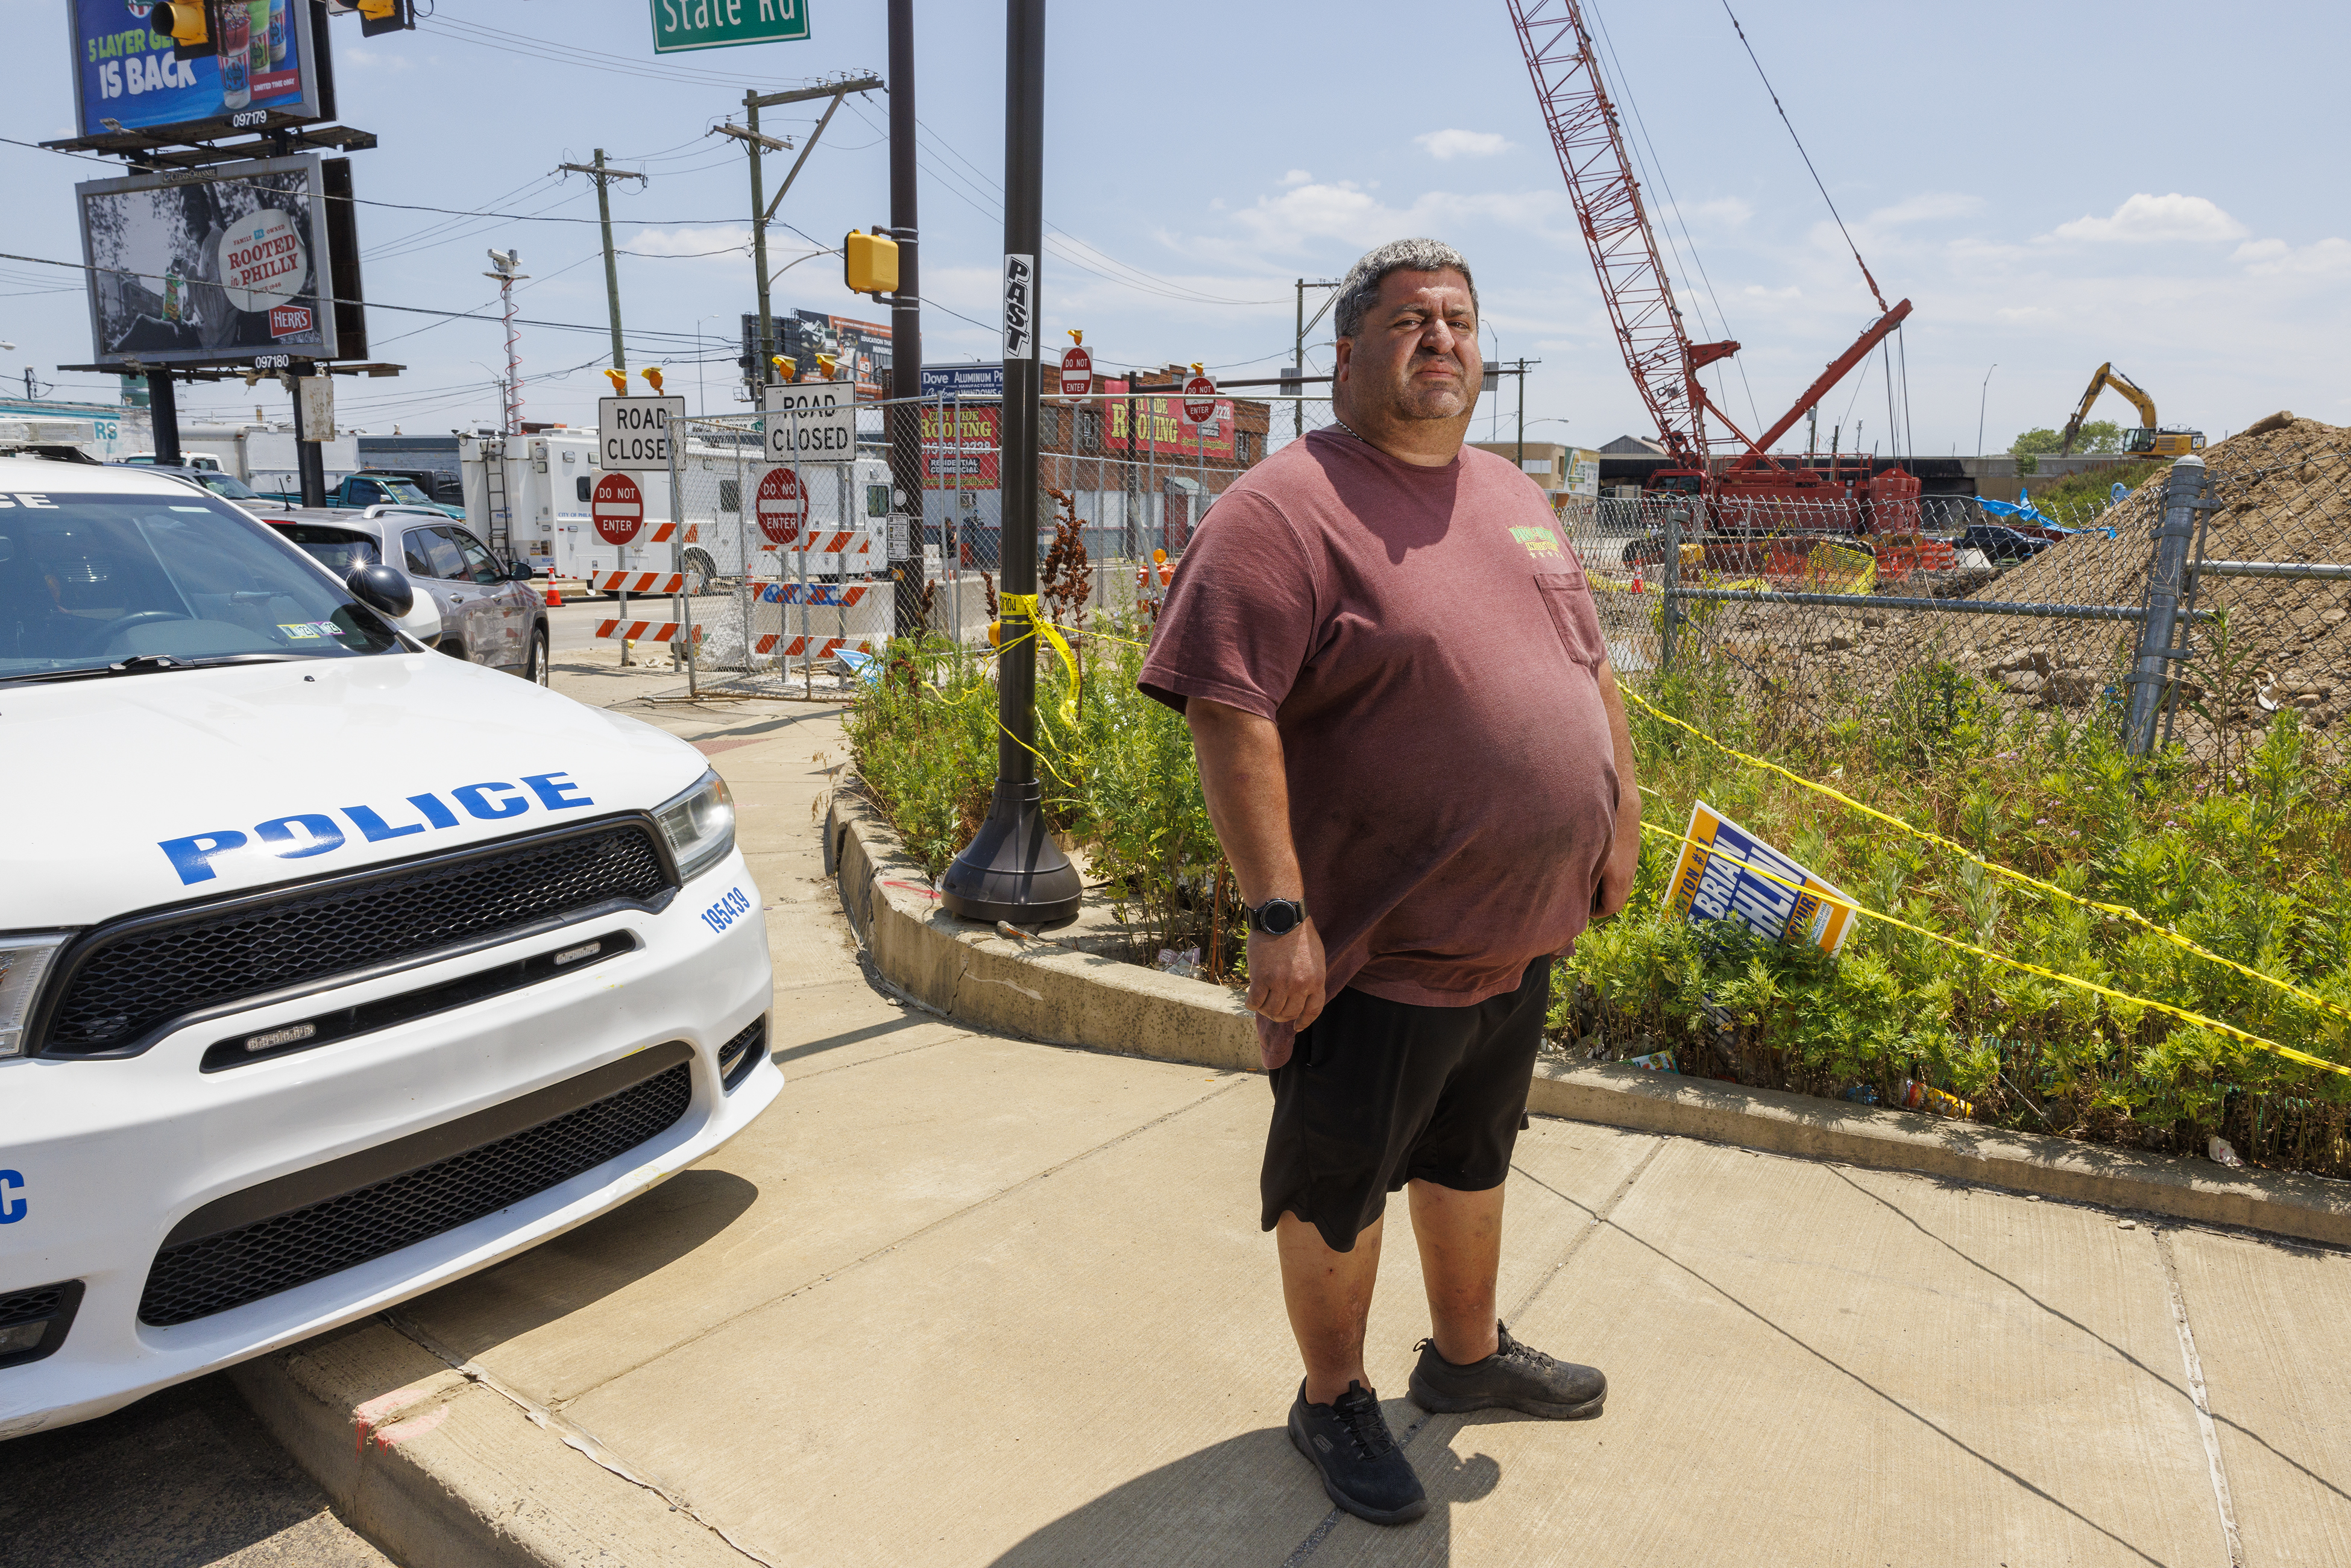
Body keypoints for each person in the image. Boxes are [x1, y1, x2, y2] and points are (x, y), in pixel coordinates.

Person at [1138, 238, 1641, 1526]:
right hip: (1370, 948)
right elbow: (1228, 708)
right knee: (1336, 1183)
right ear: (1348, 349)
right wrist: (1278, 917)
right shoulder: (1285, 506)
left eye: (1460, 320)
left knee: (1472, 1157)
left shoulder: (1515, 496)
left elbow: (1587, 672)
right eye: (1410, 319)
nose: (1442, 339)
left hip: (1512, 938)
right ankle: (1333, 1395)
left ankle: (1463, 1356)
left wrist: (1618, 821)